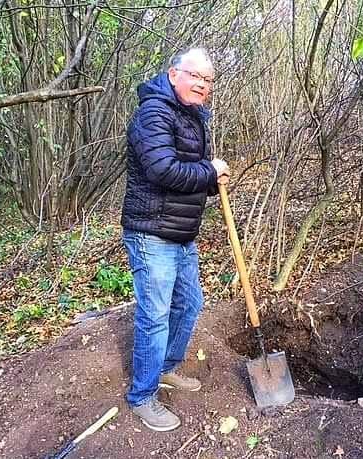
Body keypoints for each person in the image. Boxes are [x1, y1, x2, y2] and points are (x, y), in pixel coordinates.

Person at [120, 48, 230, 432]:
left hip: (181, 233)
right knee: (155, 316)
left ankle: (165, 369)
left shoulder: (191, 116)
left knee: (191, 303)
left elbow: (188, 176)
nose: (202, 84)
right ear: (173, 74)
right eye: (195, 76)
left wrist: (211, 179)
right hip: (152, 233)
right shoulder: (154, 113)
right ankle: (142, 396)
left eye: (208, 80)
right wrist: (208, 169)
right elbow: (163, 170)